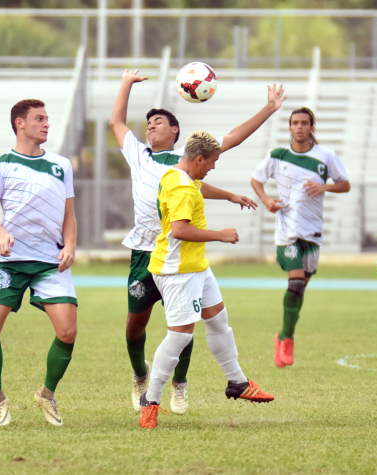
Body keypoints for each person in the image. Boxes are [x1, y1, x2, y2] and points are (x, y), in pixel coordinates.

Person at [109, 69, 285, 415]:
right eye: (148, 123)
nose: (151, 127)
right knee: (138, 326)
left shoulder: (187, 160)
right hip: (149, 253)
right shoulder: (140, 155)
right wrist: (126, 83)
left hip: (182, 254)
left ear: (176, 131)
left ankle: (182, 385)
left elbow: (229, 141)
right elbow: (116, 122)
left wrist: (268, 110)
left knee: (195, 322)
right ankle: (142, 379)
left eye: (158, 122)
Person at [139, 131, 274, 429]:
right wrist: (220, 236)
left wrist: (229, 195)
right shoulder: (183, 190)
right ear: (198, 158)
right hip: (178, 272)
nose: (213, 166)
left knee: (218, 320)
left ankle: (237, 382)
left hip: (196, 266)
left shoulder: (175, 172)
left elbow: (198, 185)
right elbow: (179, 230)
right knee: (180, 336)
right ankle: (150, 401)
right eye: (212, 161)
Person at [0, 99, 77, 428]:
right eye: (39, 118)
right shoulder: (0, 165)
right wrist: (1, 233)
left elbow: (69, 215)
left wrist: (72, 245)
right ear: (20, 123)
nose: (46, 124)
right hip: (11, 261)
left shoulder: (61, 164)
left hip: (50, 261)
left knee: (67, 332)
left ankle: (46, 394)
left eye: (48, 118)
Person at [251, 107, 350, 368]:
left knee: (300, 289)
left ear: (312, 127)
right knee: (295, 284)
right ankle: (288, 340)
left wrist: (324, 186)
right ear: (290, 127)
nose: (299, 127)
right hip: (287, 230)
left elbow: (345, 184)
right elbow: (256, 179)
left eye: (304, 123)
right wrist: (266, 201)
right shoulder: (278, 155)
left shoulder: (325, 155)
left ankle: (282, 335)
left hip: (313, 232)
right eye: (295, 123)